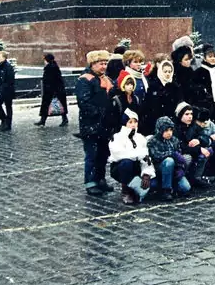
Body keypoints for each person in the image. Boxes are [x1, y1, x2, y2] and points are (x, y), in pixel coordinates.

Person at [76, 50, 114, 195]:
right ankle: (90, 182)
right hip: (91, 125)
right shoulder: (85, 80)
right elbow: (83, 102)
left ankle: (101, 179)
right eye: (100, 63)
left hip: (105, 126)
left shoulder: (108, 80)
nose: (104, 66)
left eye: (105, 63)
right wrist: (100, 113)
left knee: (103, 154)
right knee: (92, 154)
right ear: (92, 64)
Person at [109, 108, 156, 204]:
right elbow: (119, 154)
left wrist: (146, 173)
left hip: (136, 167)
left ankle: (136, 188)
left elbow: (146, 158)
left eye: (135, 122)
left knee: (153, 185)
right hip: (120, 167)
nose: (133, 125)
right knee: (126, 162)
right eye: (130, 122)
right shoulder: (117, 137)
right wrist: (138, 155)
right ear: (125, 123)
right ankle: (126, 191)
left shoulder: (140, 138)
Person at [148, 116, 191, 201]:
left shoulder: (174, 140)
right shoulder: (153, 141)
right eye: (166, 130)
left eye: (171, 130)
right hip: (159, 169)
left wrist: (180, 168)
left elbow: (180, 156)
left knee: (186, 187)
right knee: (169, 161)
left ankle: (173, 186)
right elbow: (156, 156)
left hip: (173, 169)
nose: (169, 133)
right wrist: (172, 154)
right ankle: (166, 190)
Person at [144, 58, 181, 137]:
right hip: (155, 119)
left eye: (169, 71)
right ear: (161, 71)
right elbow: (148, 103)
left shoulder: (175, 86)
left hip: (170, 119)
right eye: (165, 71)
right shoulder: (153, 85)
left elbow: (177, 102)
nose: (167, 74)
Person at [36, 53, 68, 127]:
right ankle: (43, 120)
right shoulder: (53, 66)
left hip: (52, 90)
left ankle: (43, 120)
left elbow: (51, 80)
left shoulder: (50, 67)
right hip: (55, 90)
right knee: (59, 105)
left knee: (48, 105)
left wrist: (51, 89)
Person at [0, 51, 16, 130]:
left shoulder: (8, 67)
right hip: (1, 90)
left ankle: (8, 124)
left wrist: (3, 89)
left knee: (8, 107)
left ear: (4, 58)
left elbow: (10, 80)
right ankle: (4, 120)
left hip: (7, 91)